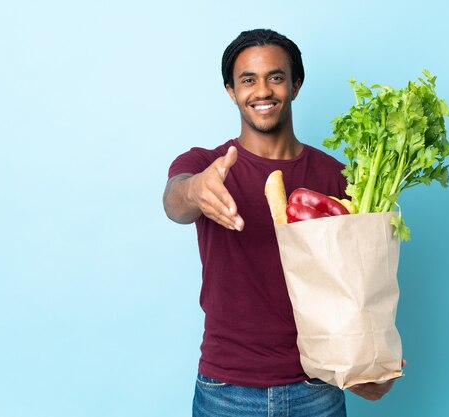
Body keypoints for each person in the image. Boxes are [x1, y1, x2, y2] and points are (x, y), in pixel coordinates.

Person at [163, 28, 401, 417]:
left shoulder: (340, 178)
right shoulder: (204, 165)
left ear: (296, 85)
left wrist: (366, 361)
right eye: (248, 80)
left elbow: (360, 283)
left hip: (317, 387)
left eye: (275, 77)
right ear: (230, 90)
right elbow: (174, 202)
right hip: (226, 390)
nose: (262, 91)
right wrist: (195, 193)